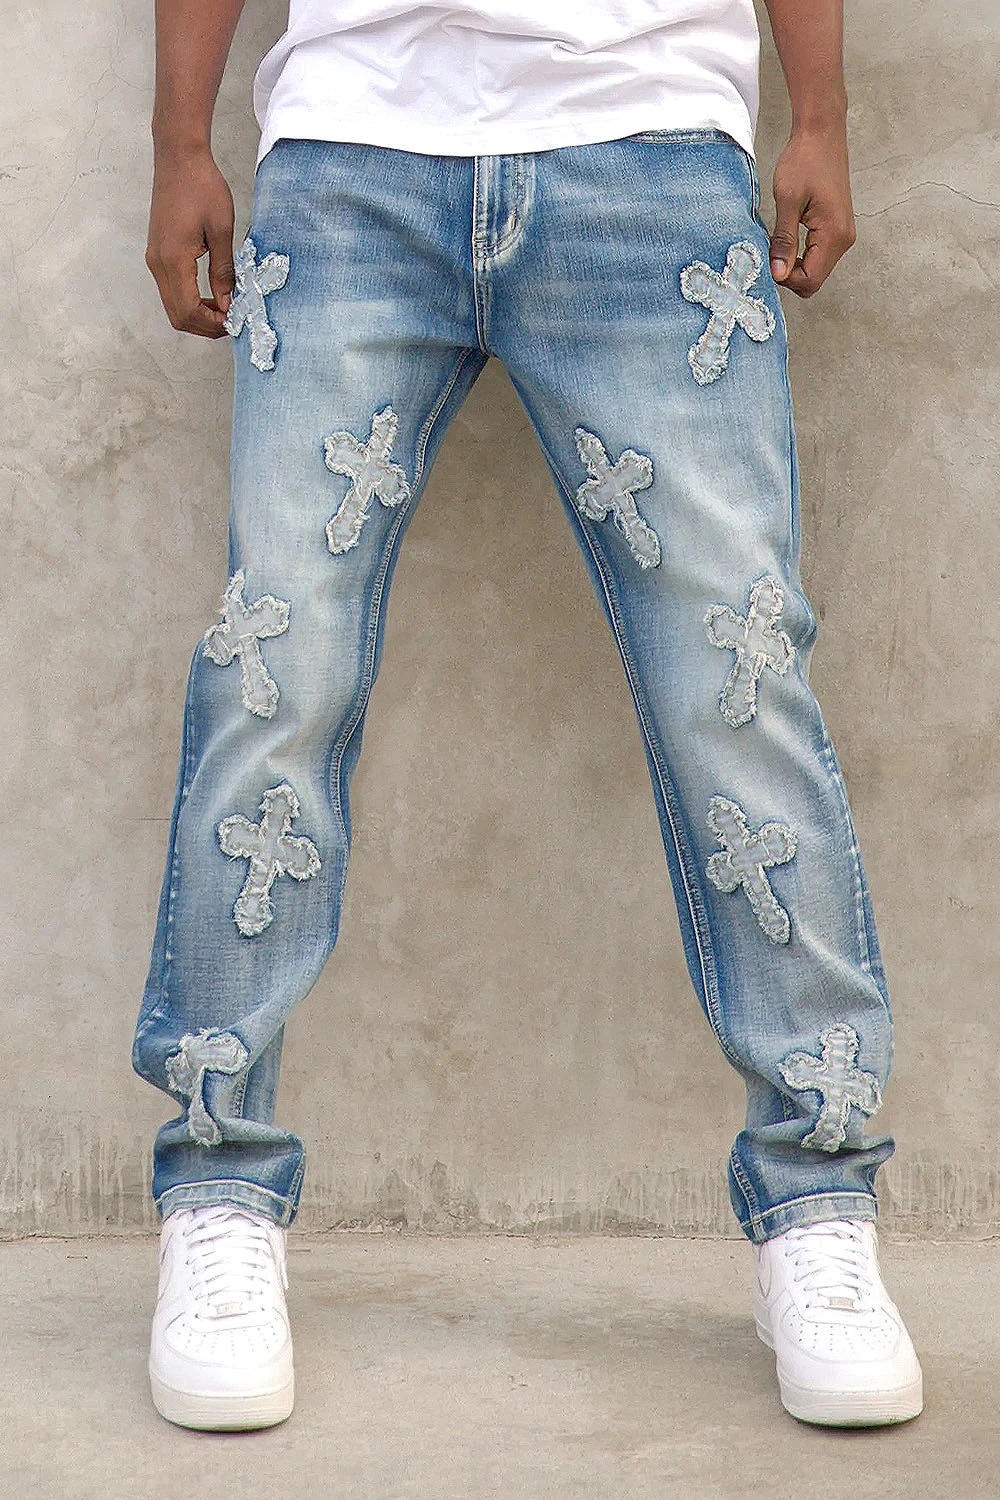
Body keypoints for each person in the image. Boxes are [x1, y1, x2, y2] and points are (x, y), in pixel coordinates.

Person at [134, 0, 923, 1432]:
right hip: (352, 153)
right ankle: (219, 1197)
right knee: (275, 673)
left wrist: (823, 115)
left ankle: (818, 1206)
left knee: (738, 684)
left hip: (650, 147)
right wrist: (178, 139)